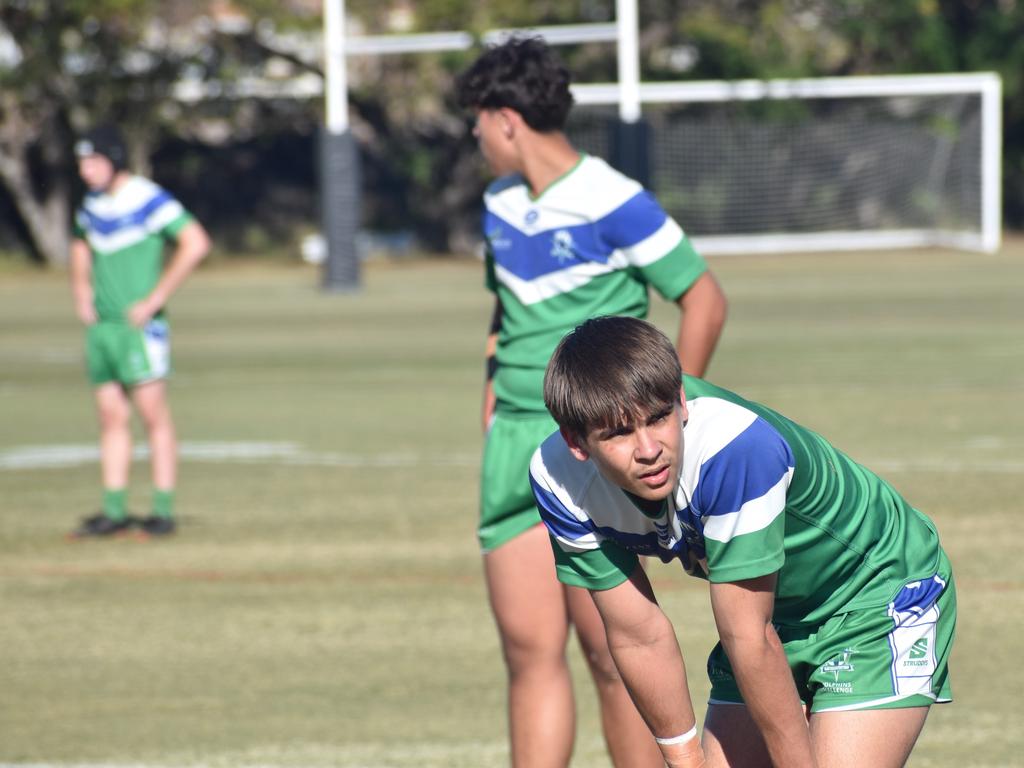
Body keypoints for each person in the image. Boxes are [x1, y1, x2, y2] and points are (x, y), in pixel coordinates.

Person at [455, 37, 728, 767]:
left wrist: (669, 405)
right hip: (513, 442)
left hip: (588, 448)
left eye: (476, 122)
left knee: (613, 652)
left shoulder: (612, 197)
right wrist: (490, 391)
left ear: (505, 118)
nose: (475, 138)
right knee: (528, 652)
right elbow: (503, 311)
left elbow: (703, 297)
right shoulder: (498, 204)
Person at [530, 315, 956, 768]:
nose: (649, 448)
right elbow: (638, 636)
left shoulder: (734, 449)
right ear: (576, 441)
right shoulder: (559, 481)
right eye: (618, 433)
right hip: (766, 619)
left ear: (680, 400)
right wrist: (686, 760)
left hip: (875, 593)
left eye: (658, 418)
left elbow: (750, 636)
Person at [68, 124, 210, 538]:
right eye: (81, 163)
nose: (85, 171)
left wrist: (154, 299)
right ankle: (113, 510)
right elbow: (80, 242)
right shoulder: (92, 202)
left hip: (138, 330)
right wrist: (80, 290)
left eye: (93, 161)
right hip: (104, 329)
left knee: (153, 416)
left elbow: (195, 242)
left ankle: (162, 510)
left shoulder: (146, 198)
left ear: (113, 160)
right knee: (110, 417)